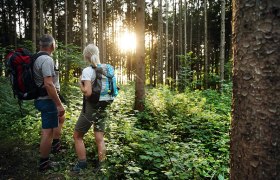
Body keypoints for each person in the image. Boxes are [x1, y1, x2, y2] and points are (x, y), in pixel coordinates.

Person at [72, 44, 113, 173]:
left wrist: (80, 84)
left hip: (91, 106)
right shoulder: (106, 69)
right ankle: (102, 166)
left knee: (77, 136)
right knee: (99, 137)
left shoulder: (87, 71)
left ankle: (82, 164)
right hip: (104, 105)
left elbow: (88, 92)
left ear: (86, 56)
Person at [33, 34, 65, 171]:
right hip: (47, 100)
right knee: (47, 132)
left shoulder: (36, 58)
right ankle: (44, 164)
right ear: (52, 46)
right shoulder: (46, 60)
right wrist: (58, 104)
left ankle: (55, 147)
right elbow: (49, 84)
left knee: (57, 121)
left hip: (41, 99)